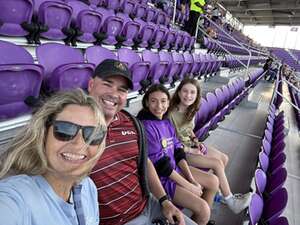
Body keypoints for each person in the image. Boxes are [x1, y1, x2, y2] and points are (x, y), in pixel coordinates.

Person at [88, 59, 196, 225]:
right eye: (107, 84)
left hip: (148, 206)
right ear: (91, 85)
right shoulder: (72, 127)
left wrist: (164, 201)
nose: (114, 93)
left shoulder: (132, 123)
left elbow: (145, 163)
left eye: (122, 89)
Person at [0, 89, 107, 225]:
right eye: (65, 129)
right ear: (43, 134)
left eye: (92, 134)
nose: (79, 144)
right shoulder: (15, 198)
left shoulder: (88, 187)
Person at [168, 78, 252, 214]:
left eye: (192, 93)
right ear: (178, 92)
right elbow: (170, 144)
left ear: (196, 95)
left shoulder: (191, 110)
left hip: (191, 146)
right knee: (217, 164)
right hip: (180, 153)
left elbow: (189, 131)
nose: (188, 96)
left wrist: (196, 141)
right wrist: (192, 150)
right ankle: (231, 201)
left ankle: (219, 194)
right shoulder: (171, 114)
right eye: (185, 91)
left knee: (224, 158)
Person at [137, 84, 217, 225]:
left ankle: (199, 221)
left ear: (168, 103)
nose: (158, 106)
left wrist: (191, 178)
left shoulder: (166, 122)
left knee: (213, 182)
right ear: (147, 103)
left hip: (175, 170)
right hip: (162, 179)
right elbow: (161, 167)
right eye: (153, 101)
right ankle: (201, 218)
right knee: (204, 209)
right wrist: (188, 185)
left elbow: (178, 152)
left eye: (163, 101)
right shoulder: (147, 126)